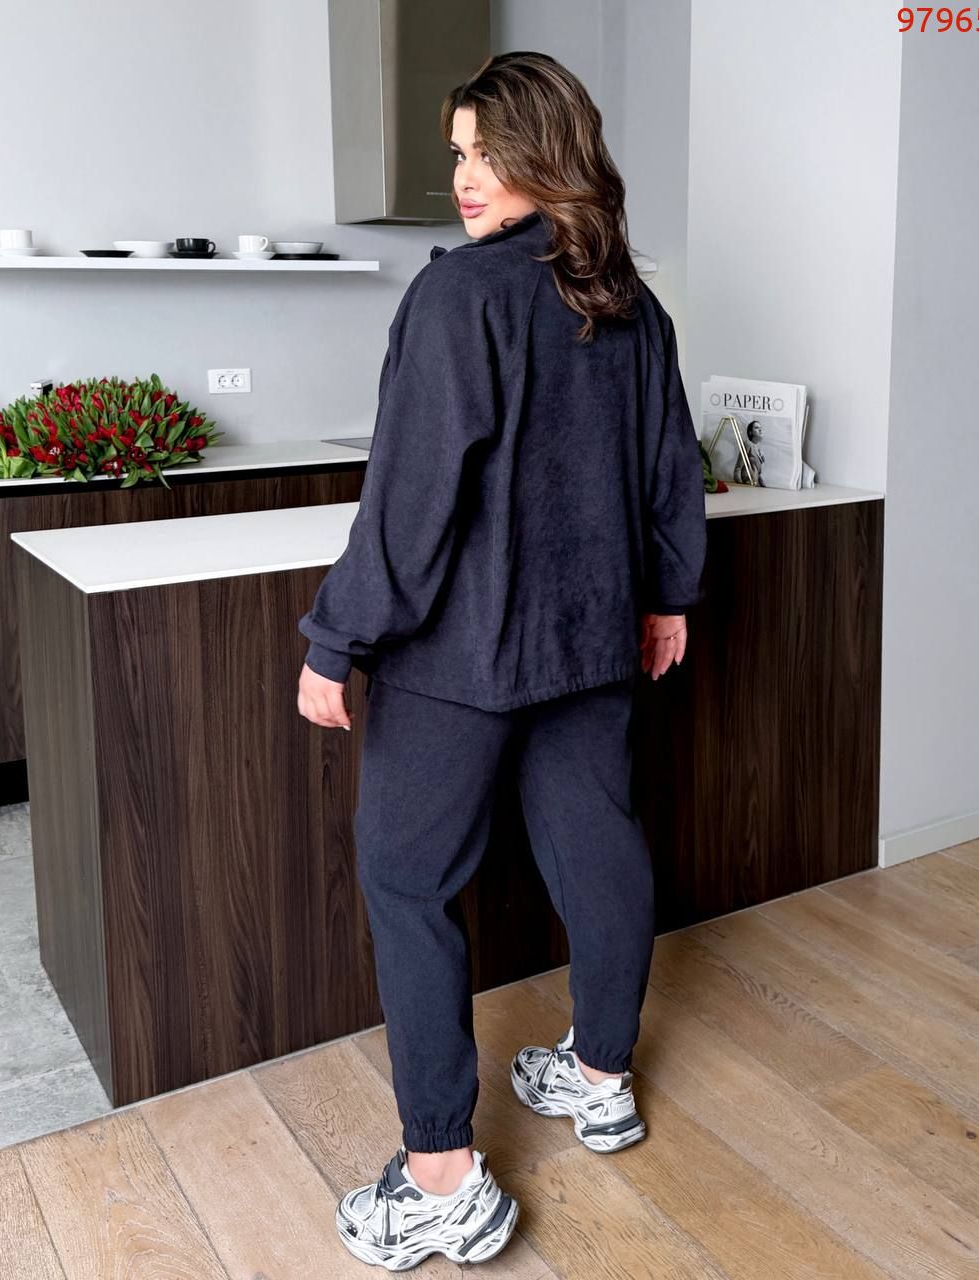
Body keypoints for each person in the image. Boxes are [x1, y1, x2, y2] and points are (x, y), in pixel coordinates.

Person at [296, 50, 707, 1272]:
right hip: (589, 640)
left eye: (485, 151)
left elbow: (408, 502)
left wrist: (335, 637)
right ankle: (600, 1077)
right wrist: (667, 592)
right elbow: (669, 469)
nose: (464, 176)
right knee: (598, 846)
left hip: (460, 655)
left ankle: (440, 1176)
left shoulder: (459, 296)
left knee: (407, 880)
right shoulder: (628, 301)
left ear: (546, 151)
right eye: (457, 154)